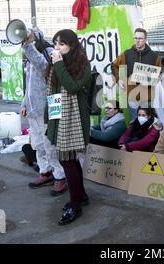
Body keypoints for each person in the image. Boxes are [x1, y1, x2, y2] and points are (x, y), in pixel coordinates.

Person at [46, 29, 91, 225]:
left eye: (62, 44)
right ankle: (80, 196)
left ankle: (75, 204)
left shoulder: (82, 63)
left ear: (71, 45)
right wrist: (50, 119)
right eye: (55, 43)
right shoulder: (57, 63)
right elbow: (53, 92)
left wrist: (58, 64)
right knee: (69, 160)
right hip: (60, 115)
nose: (57, 48)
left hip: (74, 118)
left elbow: (72, 86)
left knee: (67, 159)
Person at [21, 31, 67, 196]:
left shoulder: (47, 53)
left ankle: (60, 176)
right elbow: (28, 84)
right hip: (33, 110)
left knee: (50, 145)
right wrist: (24, 103)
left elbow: (43, 67)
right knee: (38, 143)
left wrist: (28, 46)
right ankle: (45, 171)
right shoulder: (28, 57)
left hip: (48, 108)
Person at [112, 28, 162, 120]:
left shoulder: (155, 57)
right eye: (135, 38)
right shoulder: (126, 54)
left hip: (148, 97)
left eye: (140, 38)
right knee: (135, 121)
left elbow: (159, 74)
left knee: (148, 122)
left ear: (145, 39)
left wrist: (151, 81)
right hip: (132, 96)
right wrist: (118, 80)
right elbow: (114, 65)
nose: (137, 41)